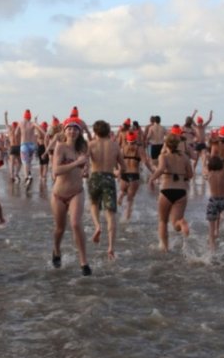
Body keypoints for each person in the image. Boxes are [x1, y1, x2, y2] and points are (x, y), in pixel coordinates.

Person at [50, 117, 92, 275]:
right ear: (64, 130)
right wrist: (76, 163)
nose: (72, 131)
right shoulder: (60, 147)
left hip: (77, 192)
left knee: (75, 223)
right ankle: (56, 250)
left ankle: (84, 262)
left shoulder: (83, 148)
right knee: (60, 228)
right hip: (59, 194)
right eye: (69, 128)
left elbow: (85, 166)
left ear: (79, 132)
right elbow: (56, 170)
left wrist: (86, 169)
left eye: (75, 129)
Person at [87, 120, 125, 260]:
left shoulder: (90, 144)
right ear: (108, 131)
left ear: (95, 132)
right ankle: (110, 248)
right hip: (109, 178)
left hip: (95, 177)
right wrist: (118, 172)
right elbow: (123, 166)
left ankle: (97, 226)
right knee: (111, 215)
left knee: (93, 204)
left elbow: (85, 162)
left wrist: (85, 171)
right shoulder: (114, 145)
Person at [148, 133, 192, 252]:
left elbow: (161, 169)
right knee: (175, 224)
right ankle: (181, 223)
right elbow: (190, 174)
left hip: (166, 191)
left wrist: (151, 179)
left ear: (166, 144)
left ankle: (165, 247)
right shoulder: (184, 157)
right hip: (181, 192)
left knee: (163, 221)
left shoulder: (164, 156)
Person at [118, 130, 153, 221]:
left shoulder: (123, 148)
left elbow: (119, 162)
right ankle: (126, 219)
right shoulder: (139, 149)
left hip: (124, 174)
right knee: (130, 200)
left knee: (122, 192)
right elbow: (145, 162)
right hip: (134, 175)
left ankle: (117, 208)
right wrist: (152, 171)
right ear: (135, 138)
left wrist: (118, 174)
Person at [205, 153, 224, 252]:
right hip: (223, 201)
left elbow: (205, 165)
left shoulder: (209, 174)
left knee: (210, 229)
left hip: (213, 200)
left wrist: (206, 157)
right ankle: (217, 230)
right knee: (220, 215)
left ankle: (212, 248)